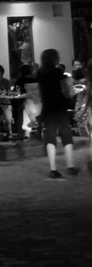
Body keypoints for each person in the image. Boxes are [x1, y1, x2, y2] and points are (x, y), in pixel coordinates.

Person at [36, 48, 78, 178]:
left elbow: (40, 93)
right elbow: (66, 91)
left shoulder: (40, 74)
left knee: (50, 137)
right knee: (66, 135)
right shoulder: (58, 72)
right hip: (59, 107)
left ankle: (53, 169)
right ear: (53, 59)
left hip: (47, 108)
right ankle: (70, 166)